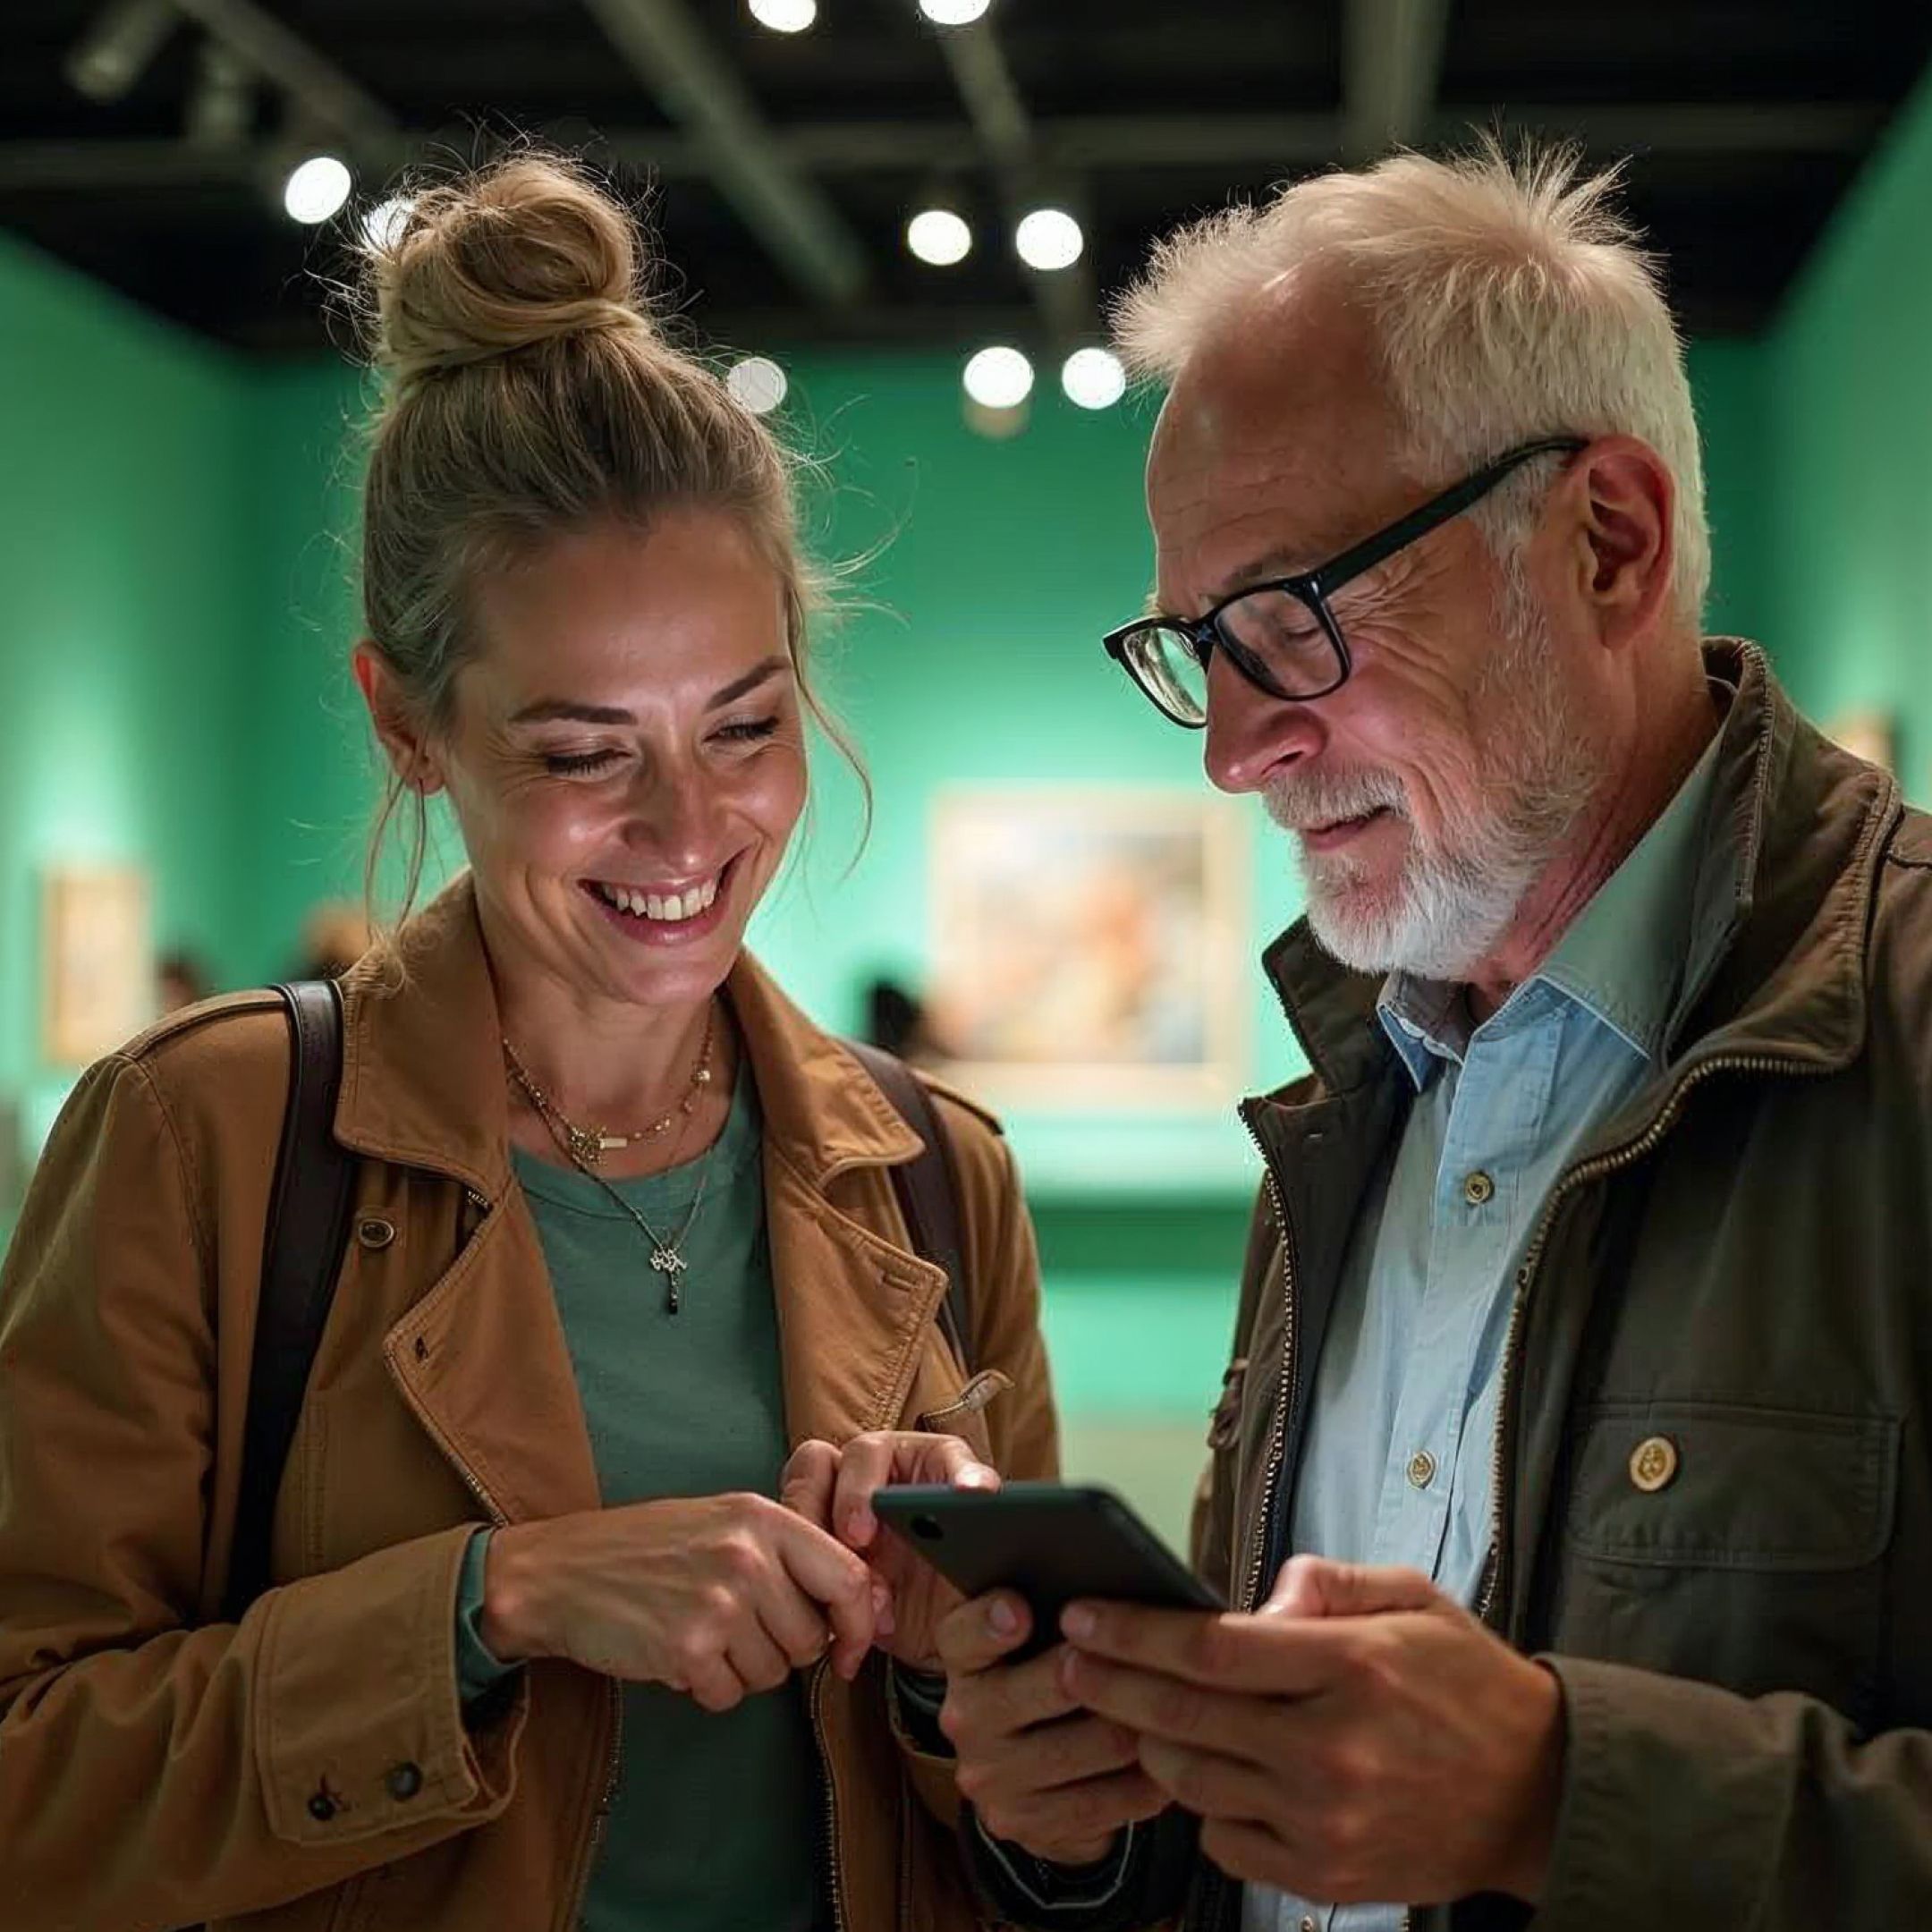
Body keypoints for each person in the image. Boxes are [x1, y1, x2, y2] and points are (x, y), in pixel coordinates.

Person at [0, 153, 1059, 1932]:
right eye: (583, 754)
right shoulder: (208, 1139)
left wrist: (974, 1678)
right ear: (406, 723)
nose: (689, 829)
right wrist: (491, 1602)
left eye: (745, 725)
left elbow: (1051, 1848)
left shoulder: (938, 1180)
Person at [938, 142, 1932, 1932]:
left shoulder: (1905, 1039)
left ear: (1605, 545)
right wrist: (1096, 1814)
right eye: (1195, 648)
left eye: (1292, 624)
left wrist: (1564, 1801)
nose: (1231, 752)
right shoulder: (1348, 1097)